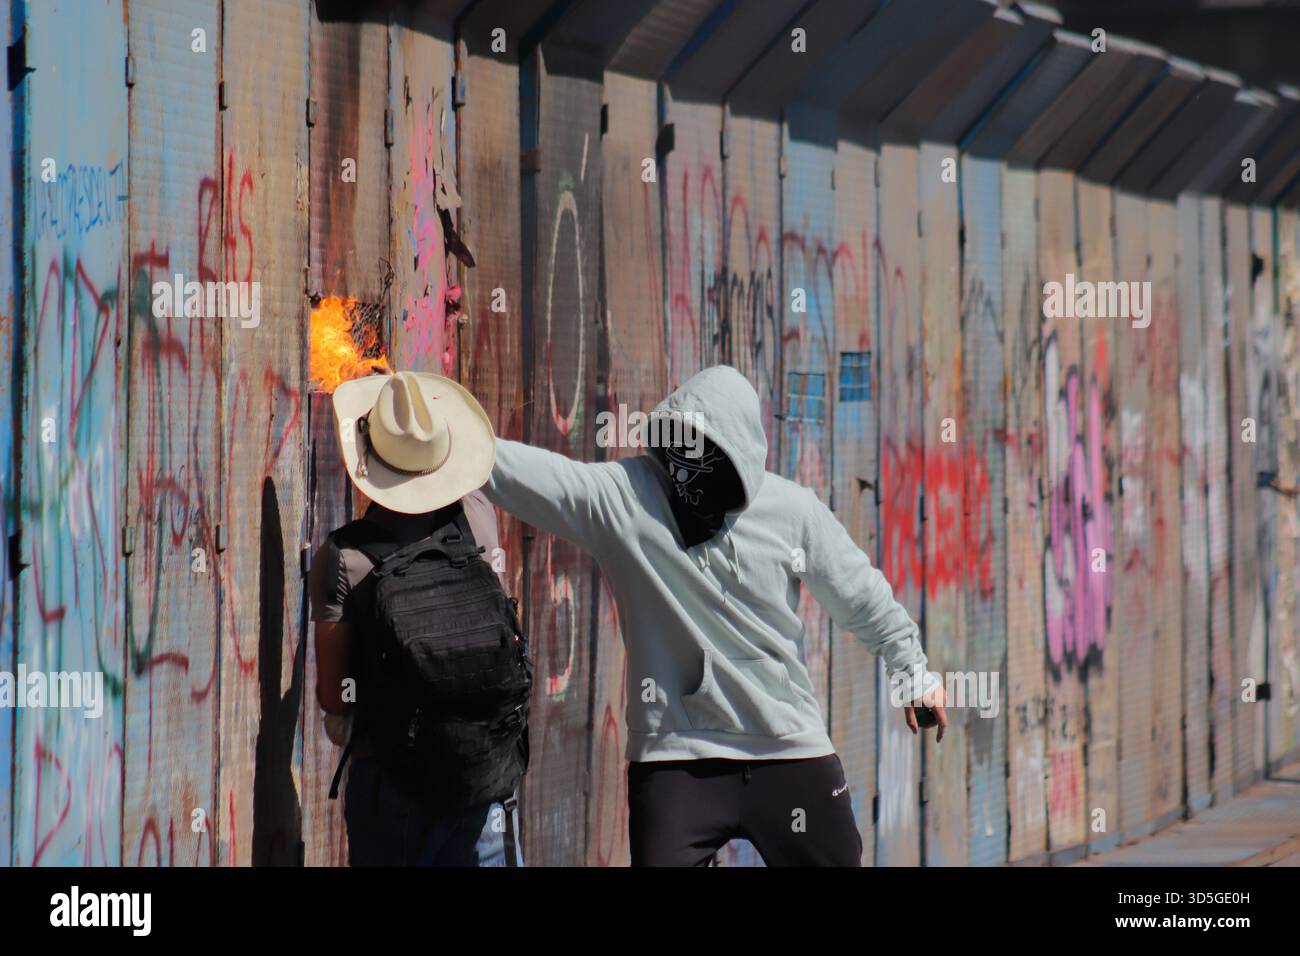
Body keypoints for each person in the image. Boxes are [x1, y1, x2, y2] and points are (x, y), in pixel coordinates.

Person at [483, 364, 946, 866]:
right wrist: (432, 435)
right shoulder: (627, 498)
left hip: (785, 750)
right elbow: (526, 475)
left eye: (710, 456)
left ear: (741, 456)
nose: (692, 473)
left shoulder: (791, 512)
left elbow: (861, 595)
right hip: (677, 759)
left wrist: (912, 669)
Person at [310, 370, 530, 867]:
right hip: (483, 783)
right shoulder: (477, 516)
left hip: (392, 790)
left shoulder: (343, 558)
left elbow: (334, 697)